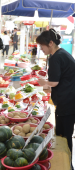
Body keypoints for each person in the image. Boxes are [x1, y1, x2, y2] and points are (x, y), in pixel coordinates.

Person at [36, 28, 75, 170]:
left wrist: (43, 82)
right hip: (70, 98)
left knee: (64, 137)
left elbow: (54, 82)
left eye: (42, 46)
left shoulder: (56, 57)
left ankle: (66, 165)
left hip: (67, 102)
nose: (41, 49)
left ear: (51, 43)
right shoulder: (62, 53)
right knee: (65, 134)